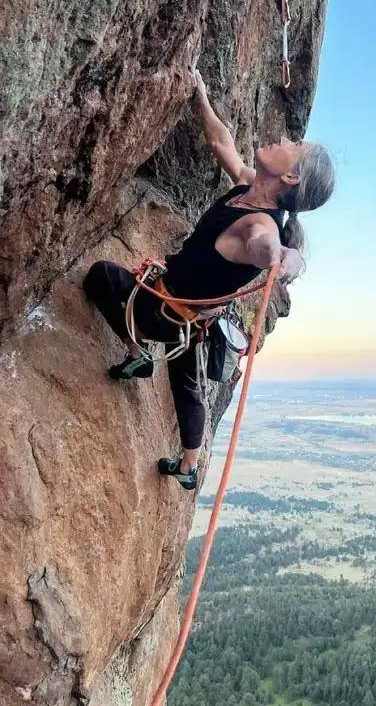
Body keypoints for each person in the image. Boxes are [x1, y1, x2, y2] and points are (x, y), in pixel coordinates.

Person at [83, 68, 335, 490]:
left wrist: (286, 260)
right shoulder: (251, 188)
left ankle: (137, 349)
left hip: (163, 310)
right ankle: (187, 466)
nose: (285, 139)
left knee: (101, 276)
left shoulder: (260, 228)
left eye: (294, 146)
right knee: (185, 379)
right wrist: (199, 94)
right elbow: (223, 145)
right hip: (192, 319)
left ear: (290, 177)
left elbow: (267, 249)